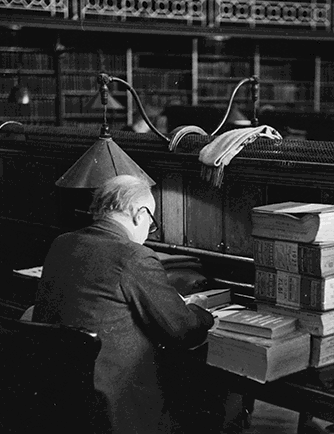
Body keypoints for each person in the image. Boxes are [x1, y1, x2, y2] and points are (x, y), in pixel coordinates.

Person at [32, 174, 215, 434]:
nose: (147, 232)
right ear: (140, 214)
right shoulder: (133, 256)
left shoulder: (61, 243)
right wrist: (202, 312)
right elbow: (182, 330)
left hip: (57, 395)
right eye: (151, 221)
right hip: (116, 407)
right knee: (205, 396)